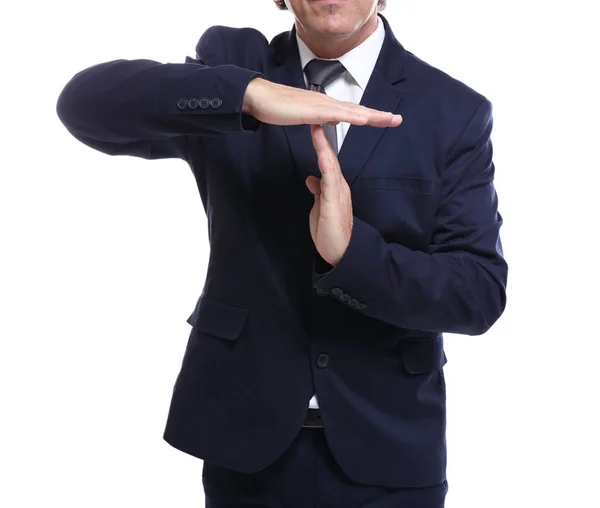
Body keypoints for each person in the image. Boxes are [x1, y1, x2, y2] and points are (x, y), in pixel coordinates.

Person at [56, 0, 508, 506]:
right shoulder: (231, 67)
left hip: (389, 449)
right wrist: (248, 97)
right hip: (247, 445)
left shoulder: (454, 109)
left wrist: (351, 254)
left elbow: (477, 291)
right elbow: (82, 105)